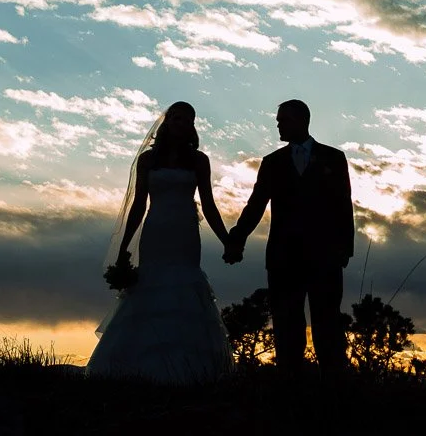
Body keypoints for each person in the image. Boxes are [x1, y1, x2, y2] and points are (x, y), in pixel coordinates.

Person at [86, 101, 233, 383]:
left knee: (184, 285)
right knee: (152, 284)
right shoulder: (149, 160)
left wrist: (228, 241)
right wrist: (124, 247)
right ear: (167, 122)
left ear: (192, 125)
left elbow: (210, 205)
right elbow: (138, 204)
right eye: (175, 118)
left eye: (186, 119)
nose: (180, 123)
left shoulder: (199, 161)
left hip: (185, 234)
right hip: (156, 232)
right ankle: (137, 369)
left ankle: (190, 370)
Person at [224, 99, 355, 379]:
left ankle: (335, 389)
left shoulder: (334, 158)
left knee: (328, 324)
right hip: (284, 258)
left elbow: (344, 204)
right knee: (286, 326)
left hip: (325, 257)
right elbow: (256, 203)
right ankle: (290, 388)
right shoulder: (273, 163)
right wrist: (237, 237)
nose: (278, 124)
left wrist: (345, 248)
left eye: (282, 119)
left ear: (300, 120)